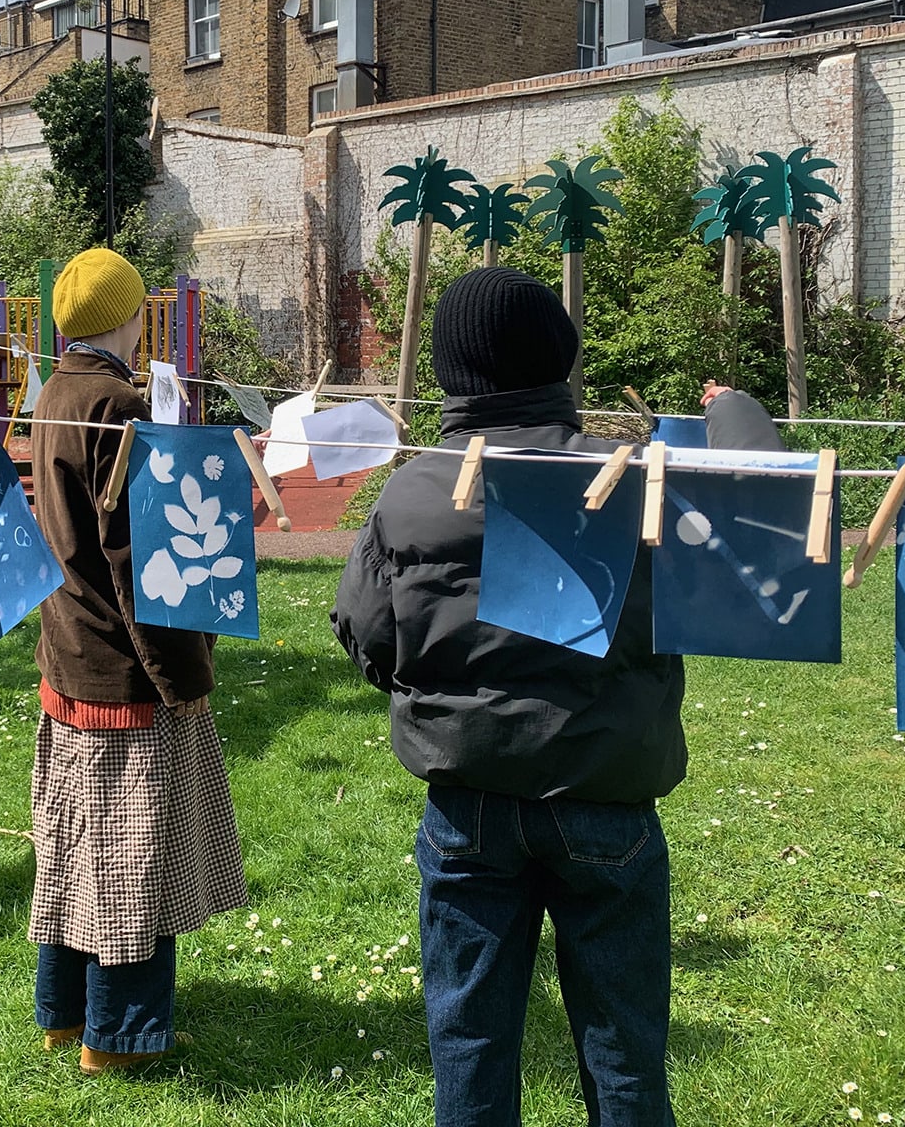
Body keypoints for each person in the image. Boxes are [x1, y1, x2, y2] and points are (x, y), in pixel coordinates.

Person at [331, 267, 783, 1127]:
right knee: (623, 1051)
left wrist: (447, 686)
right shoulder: (632, 481)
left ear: (450, 374)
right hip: (606, 802)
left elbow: (367, 637)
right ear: (560, 362)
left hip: (469, 804)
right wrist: (733, 407)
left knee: (470, 1042)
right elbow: (766, 520)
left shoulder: (413, 489)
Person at [26, 247, 248, 1075]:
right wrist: (181, 678)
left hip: (68, 655)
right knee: (132, 858)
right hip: (121, 669)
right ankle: (117, 1037)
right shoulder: (114, 404)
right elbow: (139, 564)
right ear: (128, 316)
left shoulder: (53, 392)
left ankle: (63, 1014)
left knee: (75, 844)